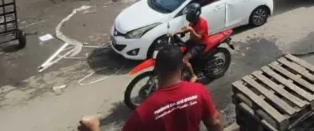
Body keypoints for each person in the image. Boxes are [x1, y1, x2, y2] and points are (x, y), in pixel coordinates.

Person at [78, 45, 224, 131]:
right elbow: (216, 122)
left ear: (156, 68)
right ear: (182, 66)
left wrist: (93, 128)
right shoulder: (198, 91)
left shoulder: (143, 113)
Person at [175, 3, 209, 83]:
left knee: (184, 60)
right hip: (192, 41)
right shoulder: (193, 21)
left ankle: (193, 76)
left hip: (200, 44)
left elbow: (198, 37)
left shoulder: (203, 23)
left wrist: (191, 30)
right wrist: (175, 32)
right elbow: (186, 29)